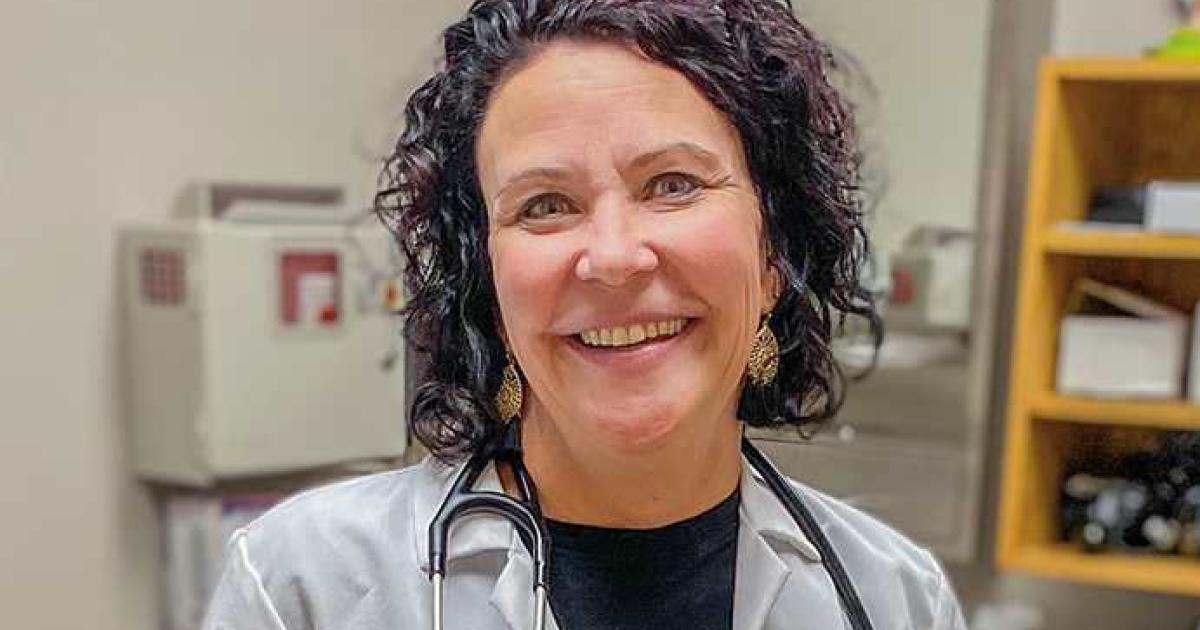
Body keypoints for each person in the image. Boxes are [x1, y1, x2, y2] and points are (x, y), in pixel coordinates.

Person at [202, 1, 968, 629]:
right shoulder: (303, 588)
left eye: (672, 184)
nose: (613, 256)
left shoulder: (895, 601)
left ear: (774, 257)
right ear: (488, 286)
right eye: (545, 205)